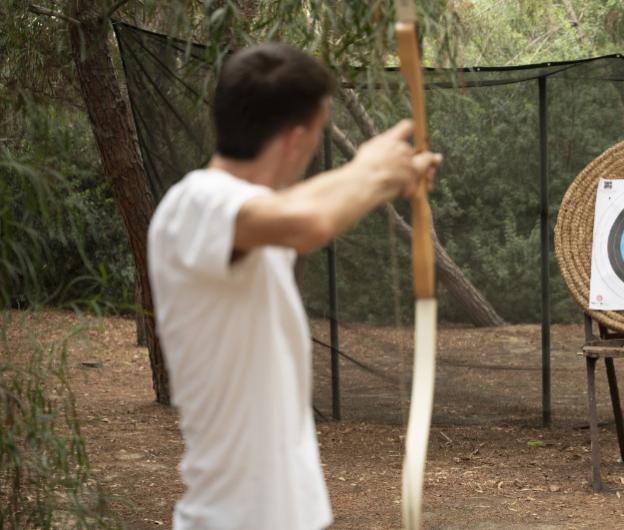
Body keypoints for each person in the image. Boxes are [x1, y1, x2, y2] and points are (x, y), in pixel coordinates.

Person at [147, 42, 441, 530]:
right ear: (294, 140)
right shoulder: (194, 205)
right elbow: (307, 220)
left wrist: (387, 178)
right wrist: (368, 171)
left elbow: (305, 204)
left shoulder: (247, 215)